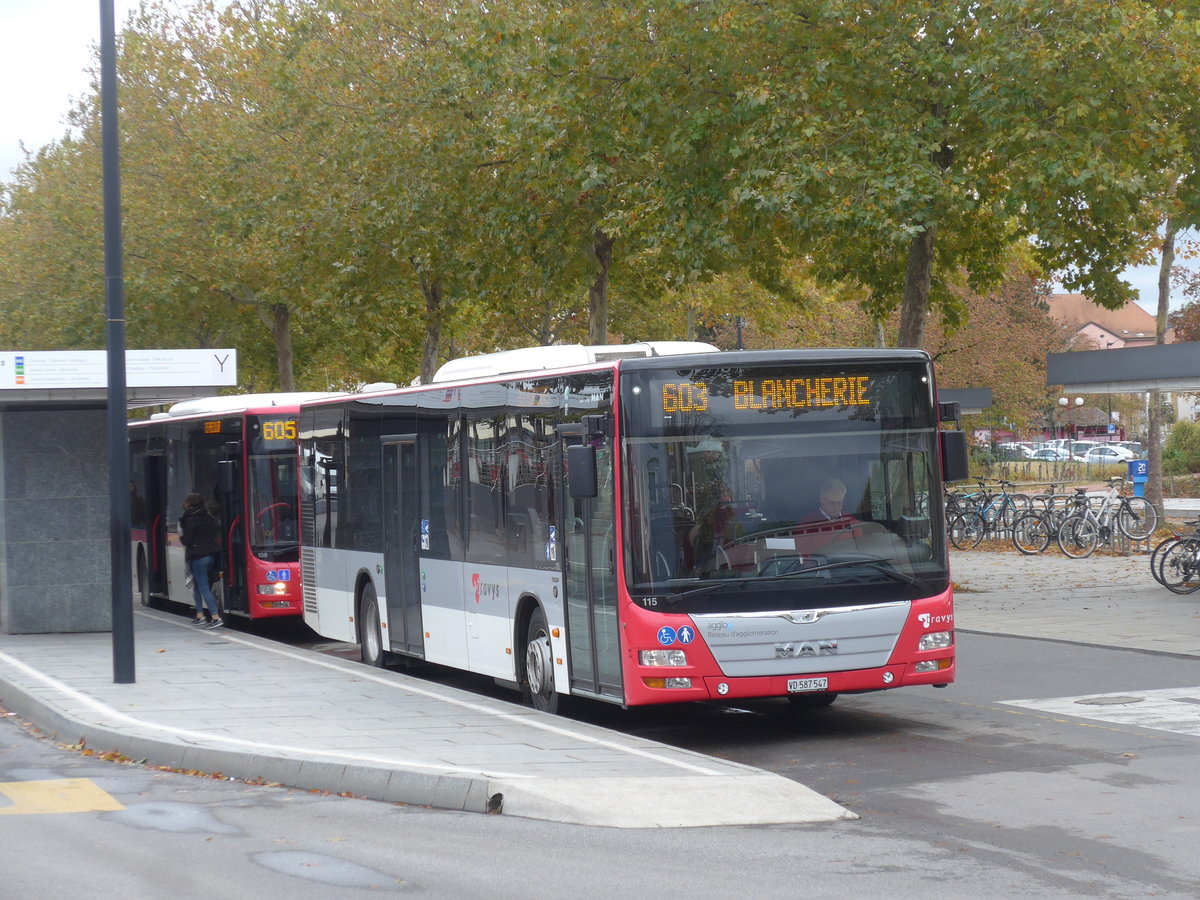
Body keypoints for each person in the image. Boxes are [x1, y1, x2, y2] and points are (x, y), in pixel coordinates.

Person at [179, 492, 223, 628]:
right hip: (210, 555)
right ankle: (200, 615)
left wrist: (180, 536)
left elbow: (187, 541)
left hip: (198, 557)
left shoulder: (190, 520)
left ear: (189, 503)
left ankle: (215, 617)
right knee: (198, 586)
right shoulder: (208, 517)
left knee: (203, 587)